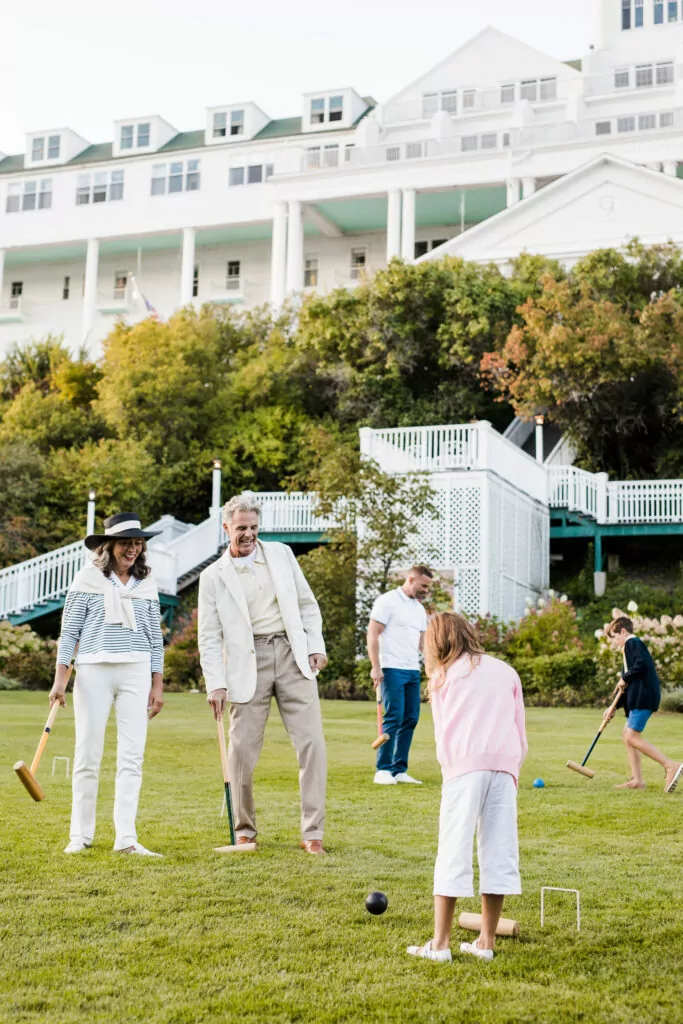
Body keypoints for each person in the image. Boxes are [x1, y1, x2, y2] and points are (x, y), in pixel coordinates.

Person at [198, 491, 328, 854]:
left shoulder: (282, 554)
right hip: (245, 663)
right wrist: (215, 684)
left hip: (291, 654)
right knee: (240, 750)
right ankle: (244, 830)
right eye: (241, 528)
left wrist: (315, 645)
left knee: (312, 743)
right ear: (227, 528)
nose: (249, 534)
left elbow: (306, 603)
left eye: (254, 527)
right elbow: (208, 636)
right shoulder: (212, 577)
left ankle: (312, 833)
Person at [407, 612, 527, 964]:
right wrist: (512, 767)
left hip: (464, 769)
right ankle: (486, 943)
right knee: (499, 849)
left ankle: (440, 945)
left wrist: (452, 769)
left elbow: (443, 733)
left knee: (453, 849)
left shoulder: (442, 675)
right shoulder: (506, 671)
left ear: (438, 641)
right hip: (504, 768)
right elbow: (519, 730)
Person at [49, 512, 165, 856]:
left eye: (137, 542)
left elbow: (155, 639)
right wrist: (60, 681)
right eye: (126, 542)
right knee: (87, 753)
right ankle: (80, 836)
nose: (133, 548)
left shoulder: (146, 582)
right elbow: (69, 632)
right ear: (109, 545)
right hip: (93, 671)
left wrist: (157, 684)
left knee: (133, 757)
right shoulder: (87, 579)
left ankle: (126, 838)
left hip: (136, 670)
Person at [367, 566, 432, 785]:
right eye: (423, 585)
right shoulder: (387, 601)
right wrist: (375, 667)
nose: (425, 590)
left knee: (411, 718)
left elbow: (423, 643)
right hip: (391, 668)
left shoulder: (419, 610)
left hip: (412, 669)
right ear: (410, 579)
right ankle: (382, 769)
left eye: (428, 587)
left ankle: (398, 769)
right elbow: (373, 633)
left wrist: (433, 667)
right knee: (394, 716)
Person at [604, 616, 681, 793]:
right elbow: (627, 684)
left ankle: (670, 765)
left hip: (643, 697)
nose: (615, 642)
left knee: (631, 736)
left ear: (623, 631)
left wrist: (625, 677)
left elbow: (643, 665)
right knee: (626, 735)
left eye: (615, 637)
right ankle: (637, 780)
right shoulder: (628, 651)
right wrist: (613, 707)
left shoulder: (632, 642)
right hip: (638, 697)